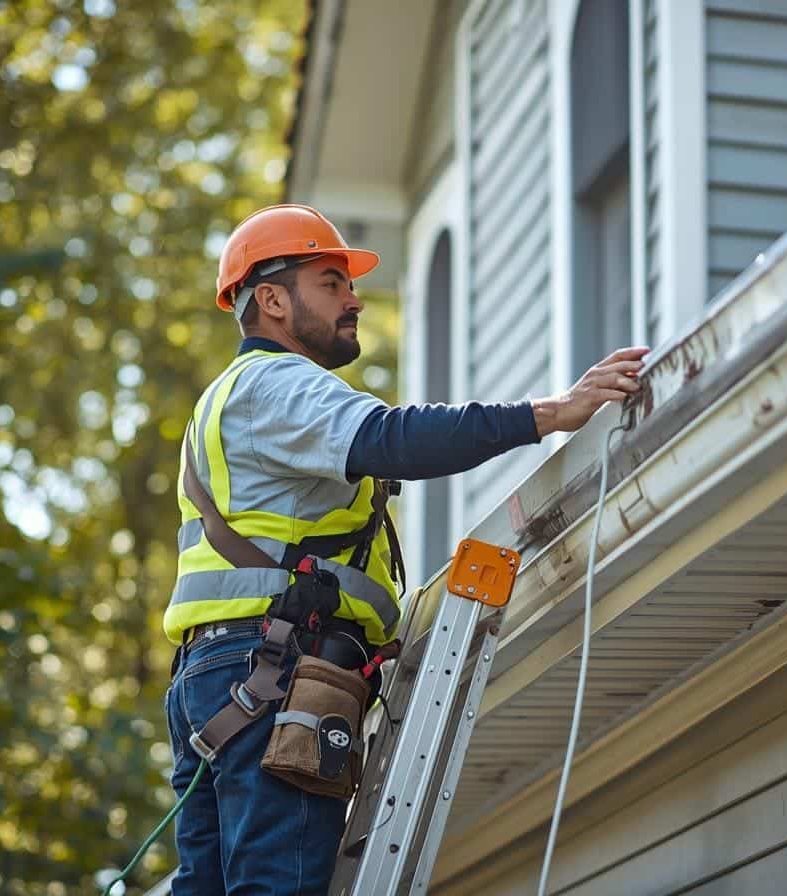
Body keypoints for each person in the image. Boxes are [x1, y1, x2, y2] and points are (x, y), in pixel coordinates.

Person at [162, 204, 646, 895]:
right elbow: (394, 439)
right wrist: (551, 413)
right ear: (271, 300)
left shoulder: (225, 401)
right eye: (331, 282)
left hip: (215, 677)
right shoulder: (278, 384)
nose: (354, 299)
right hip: (273, 667)